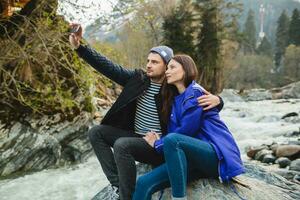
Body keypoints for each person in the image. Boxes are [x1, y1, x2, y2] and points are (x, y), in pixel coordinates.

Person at [68, 24, 224, 200]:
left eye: (155, 62)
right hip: (136, 135)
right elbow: (108, 67)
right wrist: (80, 48)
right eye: (148, 61)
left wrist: (219, 100)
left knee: (122, 145)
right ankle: (119, 185)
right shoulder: (138, 79)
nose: (148, 65)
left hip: (158, 145)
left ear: (166, 66)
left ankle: (126, 197)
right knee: (96, 132)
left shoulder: (173, 88)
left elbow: (198, 97)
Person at [133, 55, 245, 200]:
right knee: (143, 183)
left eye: (172, 67)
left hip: (215, 155)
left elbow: (185, 132)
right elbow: (175, 135)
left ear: (185, 70)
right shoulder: (175, 98)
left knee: (174, 140)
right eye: (167, 68)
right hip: (192, 160)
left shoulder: (196, 93)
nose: (167, 71)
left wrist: (157, 143)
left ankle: (179, 198)